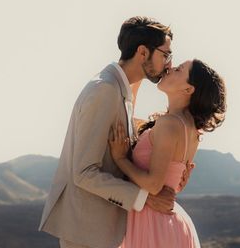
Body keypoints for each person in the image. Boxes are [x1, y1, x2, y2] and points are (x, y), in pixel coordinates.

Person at [39, 16, 179, 248]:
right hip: (86, 232)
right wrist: (146, 199)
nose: (169, 64)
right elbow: (84, 172)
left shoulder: (119, 88)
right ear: (143, 52)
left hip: (100, 231)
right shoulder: (104, 89)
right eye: (166, 55)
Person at [109, 58, 227, 248]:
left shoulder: (169, 124)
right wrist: (141, 72)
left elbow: (154, 185)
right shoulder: (191, 130)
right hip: (169, 224)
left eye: (179, 70)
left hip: (149, 223)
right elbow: (128, 116)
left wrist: (120, 158)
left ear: (188, 89)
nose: (171, 69)